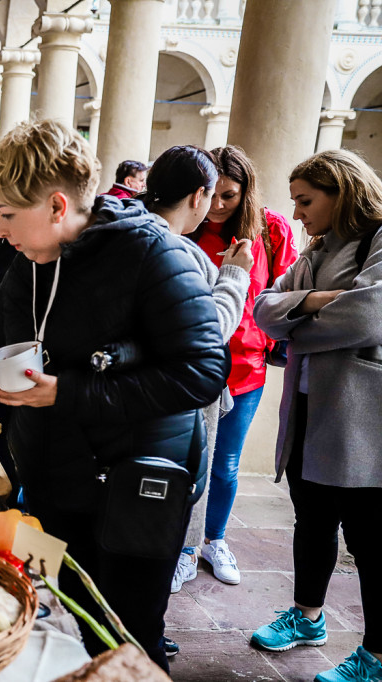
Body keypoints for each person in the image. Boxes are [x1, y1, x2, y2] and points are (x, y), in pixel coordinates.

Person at [0, 120, 229, 671]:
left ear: (57, 206)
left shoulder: (154, 255)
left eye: (7, 215)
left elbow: (203, 372)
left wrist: (70, 394)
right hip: (56, 486)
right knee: (67, 614)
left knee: (127, 638)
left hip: (135, 491)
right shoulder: (29, 262)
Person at [251, 150, 382, 682]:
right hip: (306, 409)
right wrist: (314, 303)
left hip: (358, 421)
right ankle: (308, 618)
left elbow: (369, 315)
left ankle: (375, 657)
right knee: (313, 521)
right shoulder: (316, 251)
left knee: (371, 540)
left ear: (341, 192)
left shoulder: (379, 240)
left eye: (306, 201)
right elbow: (263, 308)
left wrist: (296, 317)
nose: (298, 213)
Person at [181, 145, 298, 587]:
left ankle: (215, 539)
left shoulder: (271, 230)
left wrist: (264, 338)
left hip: (245, 368)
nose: (217, 206)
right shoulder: (188, 230)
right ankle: (185, 547)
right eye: (211, 194)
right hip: (194, 367)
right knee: (191, 459)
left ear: (245, 194)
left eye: (228, 196)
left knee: (226, 463)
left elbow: (284, 293)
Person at [141, 146, 253, 595]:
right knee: (163, 505)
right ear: (198, 195)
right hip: (171, 401)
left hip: (150, 395)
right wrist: (234, 275)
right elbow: (211, 331)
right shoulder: (178, 251)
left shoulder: (130, 233)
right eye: (214, 196)